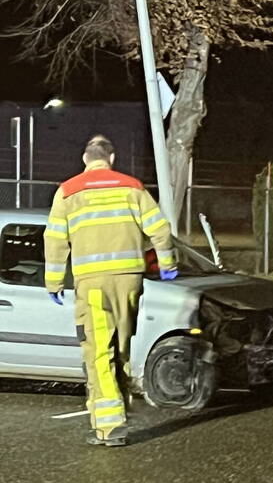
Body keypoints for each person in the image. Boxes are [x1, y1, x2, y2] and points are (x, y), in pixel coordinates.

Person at [44, 135, 177, 447]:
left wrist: (53, 282)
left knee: (97, 350)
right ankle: (120, 406)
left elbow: (55, 240)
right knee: (121, 346)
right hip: (130, 280)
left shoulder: (68, 191)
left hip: (92, 284)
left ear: (85, 159)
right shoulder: (132, 187)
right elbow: (159, 229)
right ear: (112, 158)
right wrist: (168, 263)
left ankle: (110, 424)